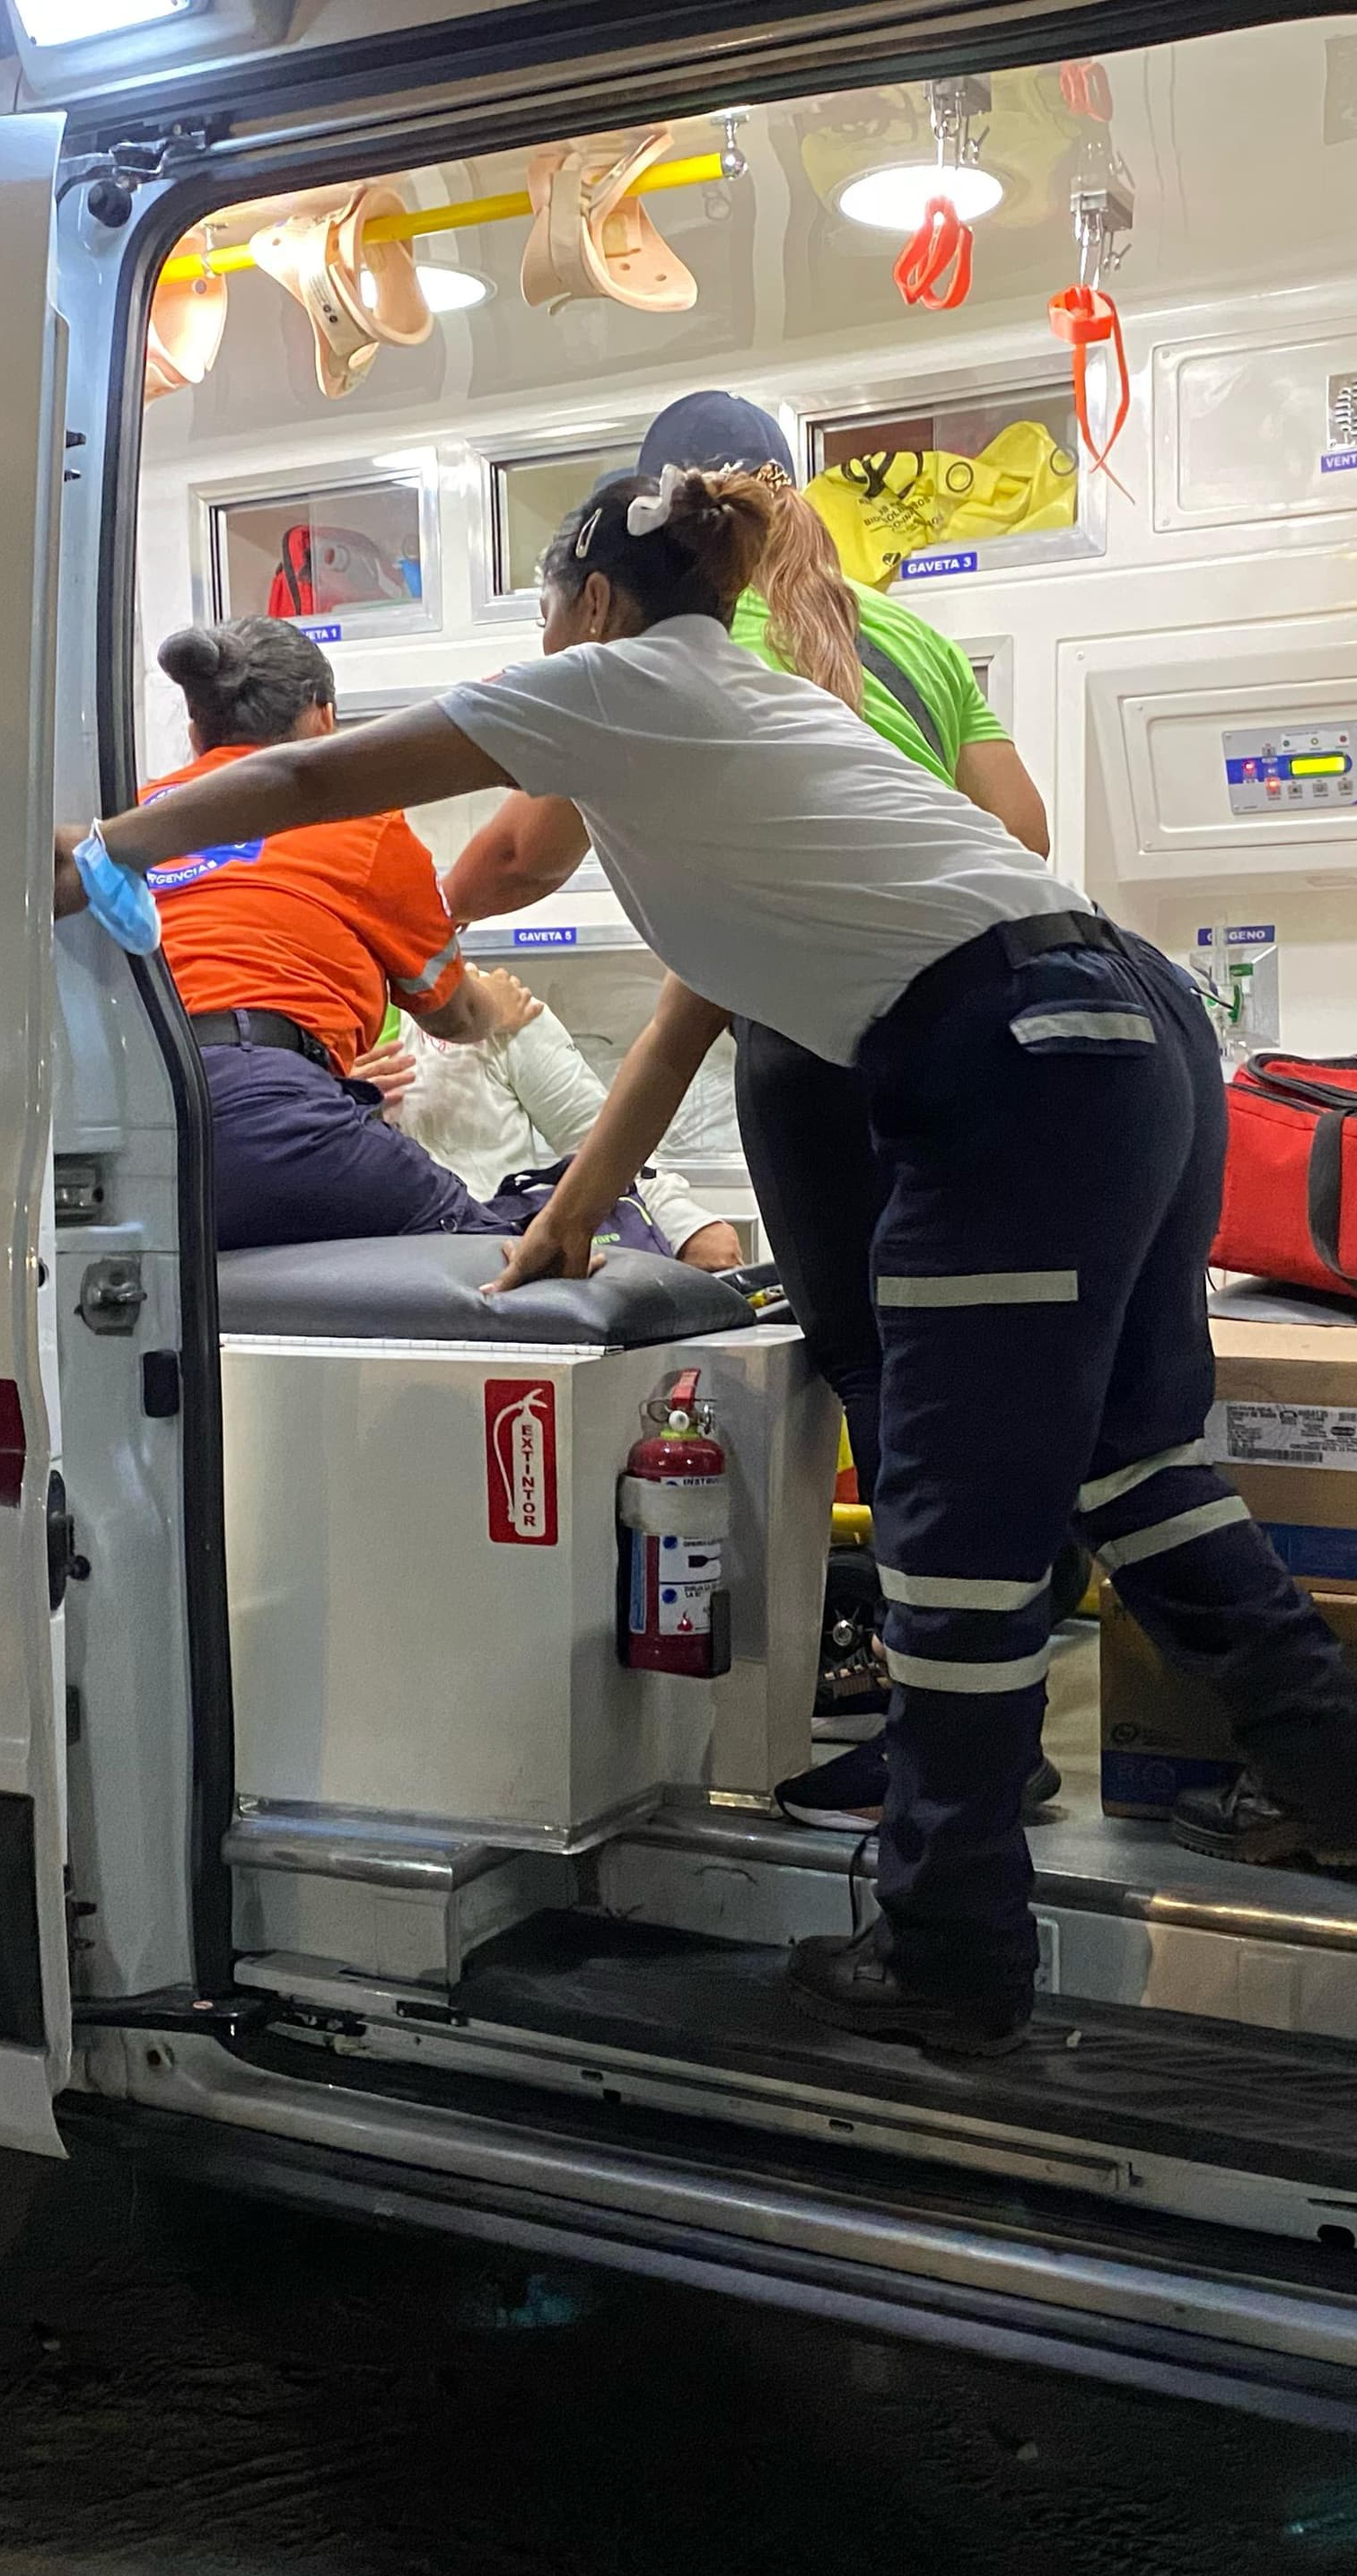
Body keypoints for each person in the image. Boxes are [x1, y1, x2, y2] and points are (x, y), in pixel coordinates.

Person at [56, 467, 1357, 2057]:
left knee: (952, 1520)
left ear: (597, 605)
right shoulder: (733, 721)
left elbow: (318, 779)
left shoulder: (619, 684)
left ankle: (952, 1942)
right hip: (1133, 1030)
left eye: (547, 606)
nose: (540, 638)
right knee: (1131, 1454)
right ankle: (1340, 1776)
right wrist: (580, 1206)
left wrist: (105, 842)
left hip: (1012, 1063)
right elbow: (704, 994)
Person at [446, 389, 1066, 1836]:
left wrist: (424, 924)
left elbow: (520, 856)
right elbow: (1019, 834)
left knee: (874, 1377)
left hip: (817, 1036)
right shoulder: (906, 635)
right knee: (971, 1395)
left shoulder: (679, 649)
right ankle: (983, 1725)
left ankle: (942, 1746)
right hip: (984, 1036)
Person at [54, 618, 522, 1249]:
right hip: (264, 1112)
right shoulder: (360, 822)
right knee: (493, 1250)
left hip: (118, 1126)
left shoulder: (129, 822)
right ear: (323, 719)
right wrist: (500, 1006)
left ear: (197, 734)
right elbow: (454, 1014)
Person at [361, 977, 746, 1267]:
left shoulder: (497, 1010)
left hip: (508, 1276)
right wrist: (324, 1091)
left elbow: (603, 1143)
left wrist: (684, 1227)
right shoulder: (305, 1054)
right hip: (363, 1292)